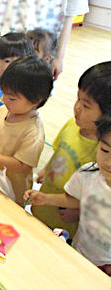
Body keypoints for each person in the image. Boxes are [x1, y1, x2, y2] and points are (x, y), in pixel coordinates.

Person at [32, 61, 111, 238]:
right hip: (46, 199)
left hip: (66, 219)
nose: (77, 108)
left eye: (86, 105)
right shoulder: (71, 125)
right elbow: (58, 151)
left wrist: (79, 211)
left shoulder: (103, 153)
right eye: (78, 99)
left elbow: (100, 198)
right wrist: (46, 169)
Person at [24, 117, 111, 276]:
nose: (109, 162)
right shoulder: (88, 173)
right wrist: (46, 198)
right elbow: (75, 199)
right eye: (105, 150)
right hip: (78, 251)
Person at [0, 55, 53, 205]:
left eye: (12, 98)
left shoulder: (33, 132)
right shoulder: (3, 110)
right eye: (3, 93)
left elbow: (20, 166)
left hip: (12, 191)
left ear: (36, 100)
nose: (4, 100)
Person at [0, 0, 89, 83]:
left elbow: (69, 14)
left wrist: (59, 57)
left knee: (28, 98)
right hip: (4, 42)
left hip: (42, 48)